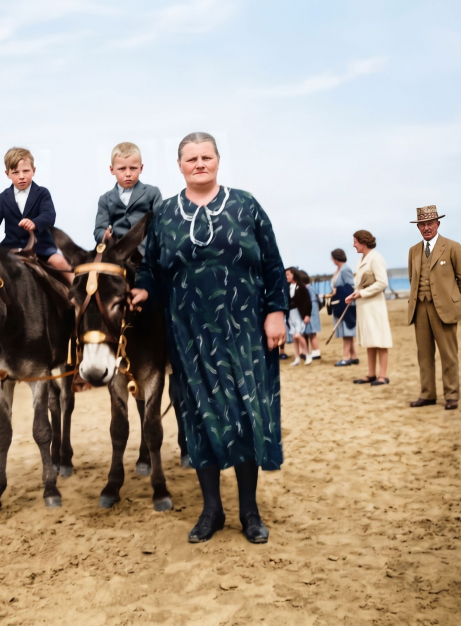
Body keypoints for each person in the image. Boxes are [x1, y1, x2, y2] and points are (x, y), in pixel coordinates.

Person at [131, 132, 288, 544]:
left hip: (245, 331)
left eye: (206, 157)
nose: (199, 163)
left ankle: (249, 512)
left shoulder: (245, 204)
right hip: (188, 334)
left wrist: (276, 312)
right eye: (191, 158)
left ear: (218, 160)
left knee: (245, 415)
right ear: (179, 165)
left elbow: (273, 263)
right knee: (199, 418)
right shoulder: (164, 213)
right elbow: (150, 266)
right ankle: (212, 510)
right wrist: (143, 288)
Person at [407, 205, 461, 410]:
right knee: (424, 355)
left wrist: (454, 299)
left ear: (437, 224)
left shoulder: (452, 247)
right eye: (422, 224)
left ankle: (452, 395)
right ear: (418, 227)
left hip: (444, 310)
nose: (426, 228)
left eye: (430, 224)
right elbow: (412, 278)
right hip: (420, 310)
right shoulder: (413, 251)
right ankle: (427, 394)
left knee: (448, 354)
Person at [0, 147, 72, 282]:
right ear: (7, 174)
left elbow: (49, 214)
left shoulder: (42, 193)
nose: (21, 176)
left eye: (26, 171)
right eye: (15, 172)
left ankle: (79, 297)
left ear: (33, 170)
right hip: (10, 248)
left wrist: (35, 223)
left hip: (41, 247)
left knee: (60, 262)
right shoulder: (4, 197)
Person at [93, 142, 162, 260]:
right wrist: (104, 236)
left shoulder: (152, 193)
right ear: (112, 169)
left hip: (146, 253)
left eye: (133, 168)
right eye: (122, 169)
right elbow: (99, 229)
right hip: (116, 255)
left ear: (141, 168)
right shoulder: (105, 199)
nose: (128, 173)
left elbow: (160, 224)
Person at [345, 230, 392, 386]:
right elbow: (361, 285)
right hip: (364, 306)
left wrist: (361, 293)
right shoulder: (362, 259)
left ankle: (383, 376)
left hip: (374, 306)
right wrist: (353, 295)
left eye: (355, 242)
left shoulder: (376, 258)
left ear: (363, 242)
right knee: (370, 340)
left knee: (380, 340)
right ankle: (371, 374)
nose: (353, 245)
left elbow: (382, 283)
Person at [329, 248, 359, 366]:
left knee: (347, 331)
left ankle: (345, 358)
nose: (332, 260)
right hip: (339, 303)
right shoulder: (339, 269)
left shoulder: (345, 269)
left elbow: (350, 287)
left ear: (336, 258)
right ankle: (354, 356)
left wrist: (337, 291)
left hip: (345, 304)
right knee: (346, 330)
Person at [285, 268, 312, 366]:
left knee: (298, 334)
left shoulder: (301, 286)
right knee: (294, 336)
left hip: (299, 313)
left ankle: (307, 354)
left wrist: (307, 315)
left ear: (294, 274)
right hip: (290, 314)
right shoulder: (287, 287)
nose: (286, 277)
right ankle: (297, 358)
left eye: (288, 274)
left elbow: (307, 301)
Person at [299, 269, 322, 361]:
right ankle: (307, 352)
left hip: (311, 315)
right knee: (309, 334)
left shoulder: (308, 289)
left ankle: (316, 352)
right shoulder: (311, 288)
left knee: (312, 334)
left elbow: (310, 303)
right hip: (312, 315)